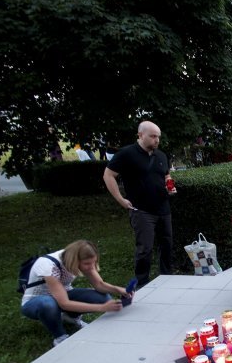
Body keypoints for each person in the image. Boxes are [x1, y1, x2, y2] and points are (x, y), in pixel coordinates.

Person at [103, 121, 174, 288]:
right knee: (145, 249)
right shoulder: (127, 154)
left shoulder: (161, 155)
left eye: (158, 137)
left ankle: (167, 279)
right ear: (140, 135)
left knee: (167, 246)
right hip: (141, 210)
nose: (156, 140)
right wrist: (120, 199)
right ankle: (142, 284)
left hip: (164, 208)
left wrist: (170, 185)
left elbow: (166, 176)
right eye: (153, 136)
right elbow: (108, 175)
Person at [20, 240, 129, 346]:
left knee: (103, 297)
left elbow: (99, 284)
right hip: (36, 301)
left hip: (64, 294)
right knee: (47, 303)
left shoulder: (78, 257)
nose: (92, 267)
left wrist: (118, 289)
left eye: (94, 262)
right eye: (87, 263)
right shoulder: (48, 266)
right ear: (74, 261)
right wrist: (102, 307)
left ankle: (70, 318)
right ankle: (60, 337)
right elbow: (65, 303)